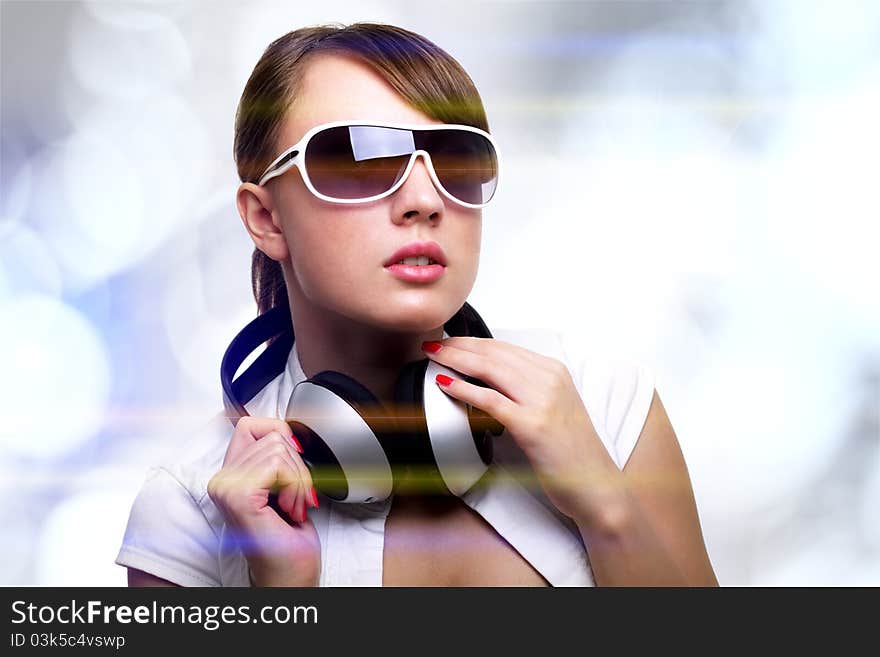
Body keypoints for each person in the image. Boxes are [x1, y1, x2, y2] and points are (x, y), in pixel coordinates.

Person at [116, 22, 718, 587]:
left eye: (456, 160)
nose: (425, 199)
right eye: (359, 157)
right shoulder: (191, 509)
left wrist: (606, 507)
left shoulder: (602, 404)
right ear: (267, 218)